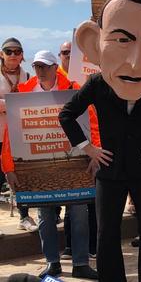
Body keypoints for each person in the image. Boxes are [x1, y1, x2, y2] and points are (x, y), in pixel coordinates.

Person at [59, 0, 141, 282]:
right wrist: (87, 148)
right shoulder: (97, 83)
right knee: (107, 233)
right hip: (109, 168)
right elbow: (66, 114)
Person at [1, 50, 98, 279]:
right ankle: (52, 263)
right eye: (36, 67)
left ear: (56, 67)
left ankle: (81, 263)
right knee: (45, 216)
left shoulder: (74, 89)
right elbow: (10, 135)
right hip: (38, 168)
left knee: (79, 214)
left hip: (75, 166)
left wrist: (95, 155)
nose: (40, 71)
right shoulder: (23, 93)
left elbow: (92, 122)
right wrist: (8, 168)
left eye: (44, 66)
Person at [0, 37, 36, 233]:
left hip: (17, 137)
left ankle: (24, 216)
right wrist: (12, 104)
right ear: (1, 54)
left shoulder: (28, 76)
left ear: (22, 55)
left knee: (20, 178)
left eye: (17, 51)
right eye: (8, 51)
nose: (13, 55)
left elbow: (31, 103)